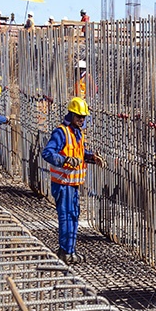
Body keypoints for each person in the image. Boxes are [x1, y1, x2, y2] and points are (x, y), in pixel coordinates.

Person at [41, 97, 107, 264]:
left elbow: (79, 154)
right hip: (62, 184)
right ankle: (65, 251)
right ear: (70, 115)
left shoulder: (78, 133)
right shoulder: (61, 132)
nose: (81, 120)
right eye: (78, 116)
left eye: (83, 117)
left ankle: (70, 250)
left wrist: (91, 157)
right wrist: (65, 160)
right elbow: (47, 153)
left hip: (73, 184)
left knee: (74, 215)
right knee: (66, 216)